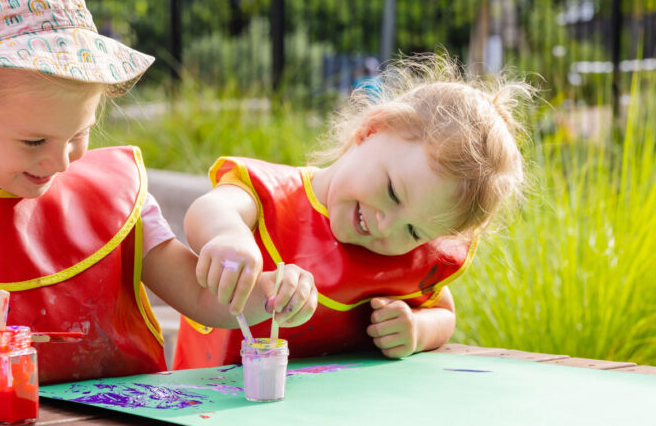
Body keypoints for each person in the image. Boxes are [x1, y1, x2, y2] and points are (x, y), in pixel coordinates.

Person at [0, 0, 309, 402]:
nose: (61, 162)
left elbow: (202, 299)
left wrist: (273, 295)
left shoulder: (115, 197)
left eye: (78, 135)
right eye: (34, 142)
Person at [173, 54, 533, 369]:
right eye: (392, 192)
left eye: (413, 232)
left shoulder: (407, 258)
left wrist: (415, 329)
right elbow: (211, 207)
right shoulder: (275, 196)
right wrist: (229, 236)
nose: (386, 225)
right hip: (215, 400)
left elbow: (444, 313)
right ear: (370, 130)